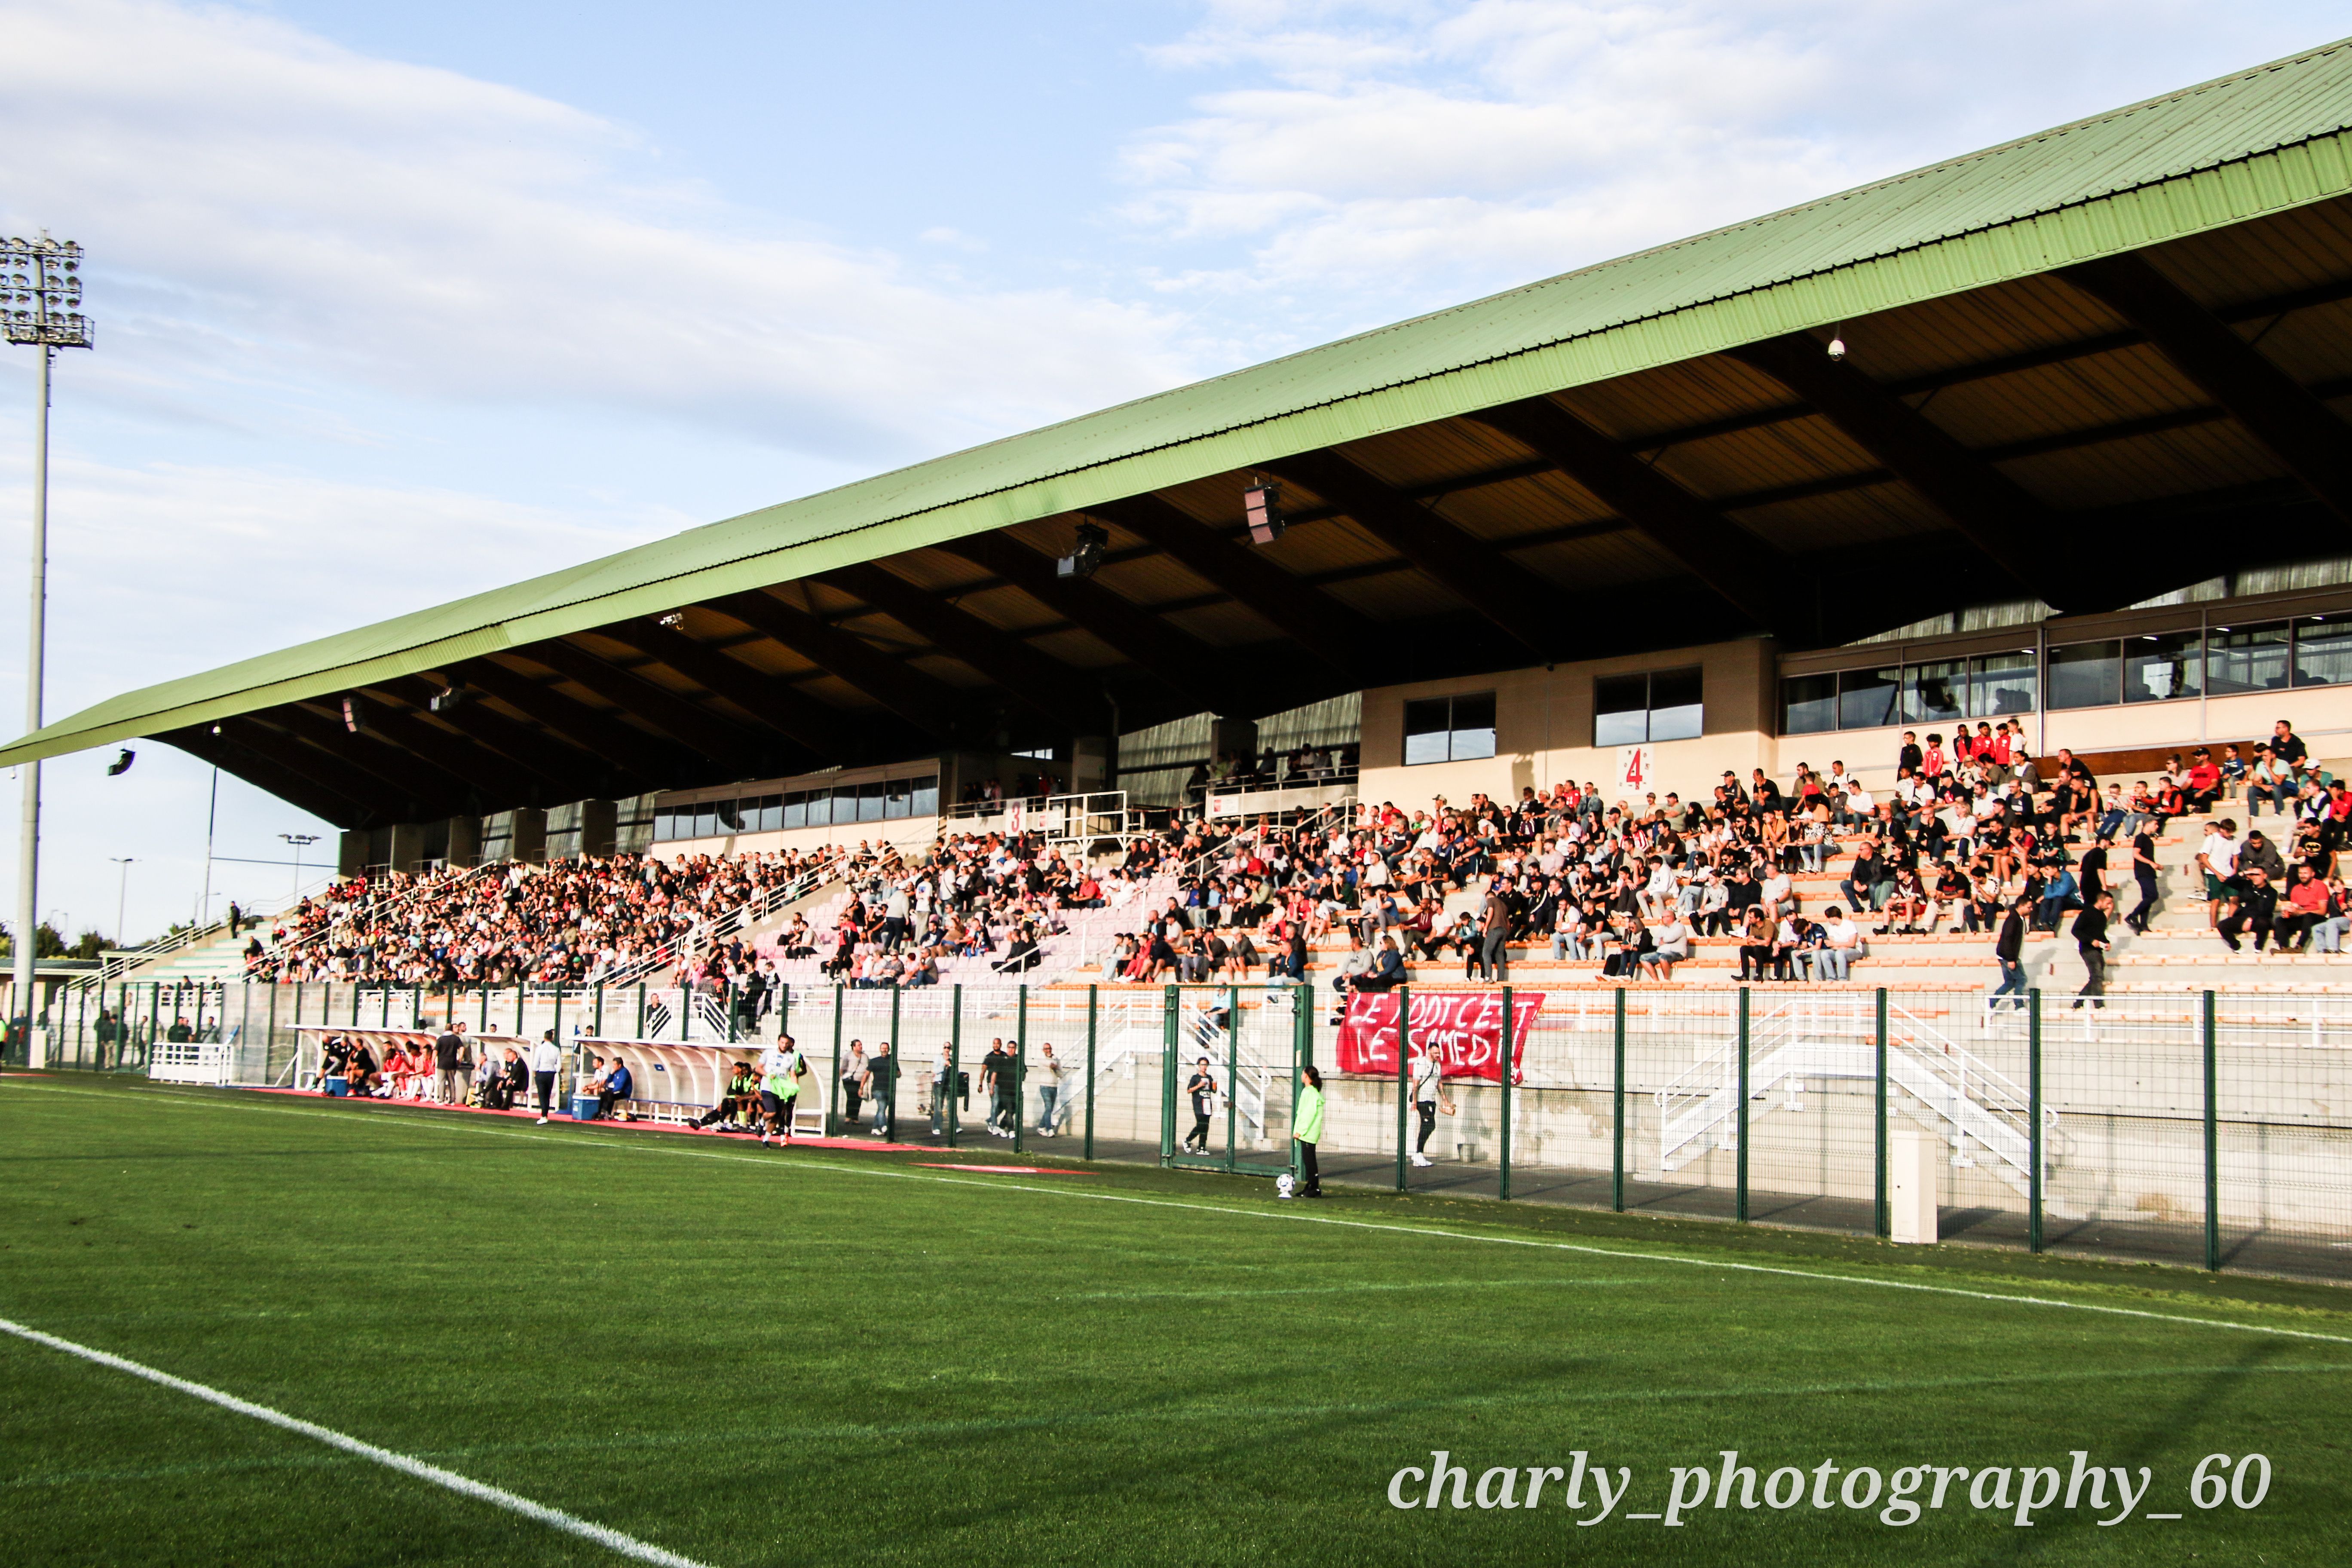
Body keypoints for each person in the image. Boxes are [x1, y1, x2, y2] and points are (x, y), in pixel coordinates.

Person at [757, 1034, 809, 1146]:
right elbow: (758, 1068)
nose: (784, 1045)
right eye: (782, 1043)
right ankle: (761, 1121)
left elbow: (793, 1075)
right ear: (778, 1042)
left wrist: (794, 1087)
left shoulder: (792, 1058)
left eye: (786, 1043)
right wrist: (767, 1075)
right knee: (772, 1112)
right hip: (767, 1087)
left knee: (777, 1116)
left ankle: (766, 1140)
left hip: (781, 1090)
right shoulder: (768, 1053)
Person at [1409, 1044, 1453, 1168]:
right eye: (1435, 1053)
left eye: (1439, 1053)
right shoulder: (1421, 1064)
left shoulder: (1437, 1065)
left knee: (1428, 1126)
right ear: (1429, 1052)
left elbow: (1439, 1083)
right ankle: (1419, 1153)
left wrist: (1445, 1100)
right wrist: (1415, 1102)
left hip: (1431, 1099)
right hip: (1422, 1100)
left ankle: (1418, 1156)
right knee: (1429, 1125)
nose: (1438, 1056)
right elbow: (1416, 1084)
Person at [1289, 1066, 1326, 1198]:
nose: (1301, 1075)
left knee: (1310, 1161)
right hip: (1310, 1133)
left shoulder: (1309, 1092)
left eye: (1303, 1073)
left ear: (1306, 1076)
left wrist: (1300, 1131)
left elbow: (1308, 1114)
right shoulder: (1311, 1092)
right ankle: (1311, 1186)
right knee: (1309, 1160)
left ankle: (1313, 1188)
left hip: (1308, 1133)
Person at [2072, 894, 2113, 1008]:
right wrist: (2090, 941)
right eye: (2108, 903)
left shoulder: (2102, 917)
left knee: (2095, 977)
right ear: (2101, 901)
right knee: (2097, 976)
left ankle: (2078, 1003)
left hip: (2098, 950)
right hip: (2087, 949)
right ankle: (2099, 1005)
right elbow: (2076, 931)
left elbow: (2100, 933)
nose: (2109, 906)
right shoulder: (2087, 913)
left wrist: (2106, 942)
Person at [695, 1059, 758, 1130]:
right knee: (723, 1104)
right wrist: (736, 1095)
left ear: (740, 1070)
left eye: (735, 1069)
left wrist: (740, 1097)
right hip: (738, 1099)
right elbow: (729, 1091)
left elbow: (749, 1092)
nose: (733, 1070)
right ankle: (703, 1122)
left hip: (746, 1100)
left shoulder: (751, 1078)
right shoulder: (736, 1079)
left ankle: (741, 1125)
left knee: (731, 1104)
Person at [1991, 897, 2029, 1010]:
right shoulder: (2013, 919)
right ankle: (2019, 1005)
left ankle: (1991, 1002)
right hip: (2009, 956)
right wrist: (2012, 959)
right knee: (2021, 979)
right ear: (2021, 906)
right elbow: (2007, 939)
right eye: (2029, 907)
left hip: (2005, 955)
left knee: (2010, 982)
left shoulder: (2019, 918)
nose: (2031, 909)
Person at [861, 1041, 899, 1139]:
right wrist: (861, 1087)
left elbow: (899, 1074)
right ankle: (884, 1126)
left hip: (889, 1089)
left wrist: (895, 1074)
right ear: (880, 1049)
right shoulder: (874, 1061)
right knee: (882, 1107)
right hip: (878, 1089)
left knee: (881, 1109)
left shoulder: (893, 1060)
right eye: (883, 1048)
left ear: (889, 1049)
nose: (884, 1050)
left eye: (886, 1048)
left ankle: (875, 1128)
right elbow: (866, 1074)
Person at [979, 1038, 1014, 1137]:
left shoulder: (1004, 1056)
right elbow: (983, 1072)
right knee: (995, 1103)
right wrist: (981, 1085)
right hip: (992, 1084)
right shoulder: (989, 1057)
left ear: (1001, 1045)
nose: (996, 1045)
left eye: (998, 1044)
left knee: (1002, 1104)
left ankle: (990, 1120)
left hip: (1003, 1084)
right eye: (994, 1044)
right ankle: (995, 1126)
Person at [1183, 1056, 1217, 1154]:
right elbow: (1189, 1090)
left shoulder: (1209, 1077)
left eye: (1206, 1065)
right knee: (1201, 1125)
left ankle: (1202, 1148)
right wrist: (1199, 1086)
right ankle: (1188, 1140)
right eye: (1202, 1065)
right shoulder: (1195, 1078)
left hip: (1207, 1104)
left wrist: (1215, 1088)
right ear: (1199, 1066)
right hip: (1198, 1104)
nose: (1204, 1067)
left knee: (1206, 1127)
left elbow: (1212, 1091)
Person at [433, 1020, 472, 1105]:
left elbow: (436, 1051)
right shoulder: (456, 1039)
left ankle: (441, 1100)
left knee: (442, 1081)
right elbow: (462, 1048)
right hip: (452, 1062)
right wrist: (460, 1059)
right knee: (452, 1081)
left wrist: (433, 1061)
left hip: (442, 1063)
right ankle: (452, 1100)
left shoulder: (441, 1039)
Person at [1033, 1042, 1066, 1137]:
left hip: (1054, 1087)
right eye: (1046, 1049)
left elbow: (1060, 1072)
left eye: (1050, 1049)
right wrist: (1055, 1066)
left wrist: (1058, 1070)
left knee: (1050, 1109)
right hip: (1045, 1087)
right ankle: (1049, 1129)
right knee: (1048, 1107)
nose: (1048, 1051)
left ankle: (1041, 1127)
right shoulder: (1042, 1060)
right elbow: (1051, 1064)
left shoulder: (1056, 1059)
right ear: (1044, 1050)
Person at [530, 1029, 561, 1123]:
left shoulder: (540, 1048)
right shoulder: (556, 1049)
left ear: (544, 1037)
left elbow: (536, 1062)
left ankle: (544, 1115)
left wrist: (535, 1071)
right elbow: (559, 1065)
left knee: (542, 1094)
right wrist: (555, 1070)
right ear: (552, 1038)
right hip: (551, 1073)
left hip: (541, 1072)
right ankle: (545, 1114)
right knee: (547, 1094)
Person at [597, 1053, 635, 1120]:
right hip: (616, 1091)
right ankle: (599, 1113)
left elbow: (621, 1085)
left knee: (610, 1095)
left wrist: (612, 1091)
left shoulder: (624, 1072)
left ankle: (608, 1113)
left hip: (624, 1092)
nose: (613, 1066)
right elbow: (609, 1081)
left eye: (615, 1065)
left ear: (620, 1065)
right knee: (603, 1094)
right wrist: (611, 1073)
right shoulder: (616, 1072)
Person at [839, 1040, 867, 1129]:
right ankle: (848, 1117)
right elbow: (842, 1068)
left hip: (861, 1081)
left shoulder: (865, 1056)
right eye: (859, 1045)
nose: (861, 1047)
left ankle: (855, 1118)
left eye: (861, 1045)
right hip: (850, 1080)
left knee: (858, 1098)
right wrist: (840, 1077)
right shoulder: (848, 1056)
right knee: (851, 1097)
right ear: (854, 1047)